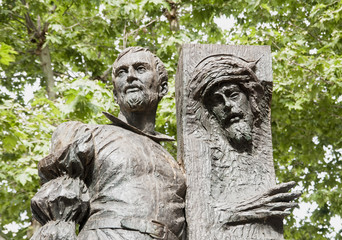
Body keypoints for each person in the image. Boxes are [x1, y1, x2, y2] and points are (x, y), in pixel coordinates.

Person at [31, 47, 186, 240]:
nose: (130, 76)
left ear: (162, 87)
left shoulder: (175, 165)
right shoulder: (89, 136)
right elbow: (58, 214)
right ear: (114, 94)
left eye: (140, 69)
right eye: (122, 72)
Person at [187, 54, 300, 238]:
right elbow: (201, 218)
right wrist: (252, 207)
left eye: (233, 95)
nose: (228, 106)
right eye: (217, 100)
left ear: (250, 97)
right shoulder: (205, 151)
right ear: (210, 113)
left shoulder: (260, 150)